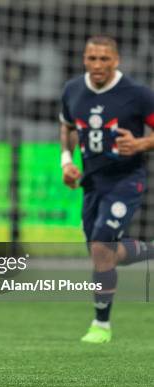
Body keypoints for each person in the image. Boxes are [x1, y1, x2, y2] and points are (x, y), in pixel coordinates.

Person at [59, 35, 154, 343]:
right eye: (91, 58)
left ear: (117, 61)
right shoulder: (73, 90)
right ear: (84, 59)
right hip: (92, 182)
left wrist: (141, 143)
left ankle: (101, 325)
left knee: (102, 247)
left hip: (127, 180)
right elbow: (68, 127)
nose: (97, 65)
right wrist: (66, 163)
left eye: (104, 59)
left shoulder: (138, 95)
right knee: (106, 255)